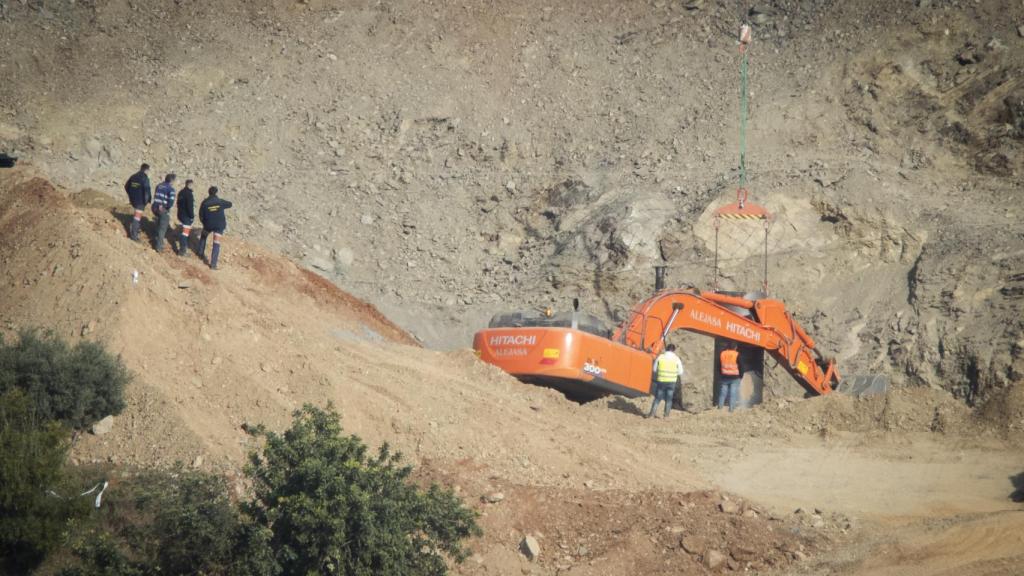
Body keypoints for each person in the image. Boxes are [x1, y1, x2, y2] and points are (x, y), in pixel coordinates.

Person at [197, 186, 233, 270]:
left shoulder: (205, 202)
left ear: (208, 192)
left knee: (203, 236)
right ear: (216, 192)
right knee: (216, 243)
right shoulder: (220, 201)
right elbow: (230, 204)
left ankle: (200, 253)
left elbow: (201, 215)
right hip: (219, 226)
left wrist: (204, 223)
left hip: (208, 225)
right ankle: (213, 265)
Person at [647, 343, 684, 419]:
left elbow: (654, 369)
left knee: (657, 399)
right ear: (674, 350)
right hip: (671, 382)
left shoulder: (660, 357)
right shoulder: (676, 359)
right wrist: (673, 373)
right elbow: (680, 372)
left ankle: (651, 415)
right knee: (669, 400)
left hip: (661, 381)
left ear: (666, 349)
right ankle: (666, 416)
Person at [123, 163, 151, 241]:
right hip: (140, 201)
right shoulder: (145, 178)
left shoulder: (133, 176)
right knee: (137, 218)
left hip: (133, 200)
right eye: (148, 170)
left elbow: (126, 186)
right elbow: (147, 191)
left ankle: (136, 231)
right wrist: (146, 201)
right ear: (146, 170)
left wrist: (131, 195)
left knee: (137, 216)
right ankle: (134, 236)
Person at [151, 173, 177, 252]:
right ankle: (159, 247)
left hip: (155, 207)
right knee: (162, 228)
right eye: (174, 181)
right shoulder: (171, 189)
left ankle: (155, 240)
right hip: (163, 209)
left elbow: (155, 196)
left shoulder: (159, 186)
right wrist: (165, 207)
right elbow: (171, 202)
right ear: (171, 181)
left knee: (158, 224)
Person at [717, 342, 742, 412]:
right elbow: (741, 366)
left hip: (724, 376)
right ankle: (731, 409)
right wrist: (741, 375)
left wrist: (721, 374)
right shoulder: (737, 354)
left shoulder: (722, 354)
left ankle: (720, 407)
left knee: (723, 393)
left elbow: (718, 365)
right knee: (733, 393)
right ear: (735, 347)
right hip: (735, 377)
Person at [176, 179, 195, 256]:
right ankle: (182, 251)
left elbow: (178, 204)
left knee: (184, 232)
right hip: (186, 216)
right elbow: (190, 207)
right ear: (190, 185)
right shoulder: (189, 194)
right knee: (185, 233)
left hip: (180, 214)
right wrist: (192, 216)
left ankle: (183, 249)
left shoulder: (181, 192)